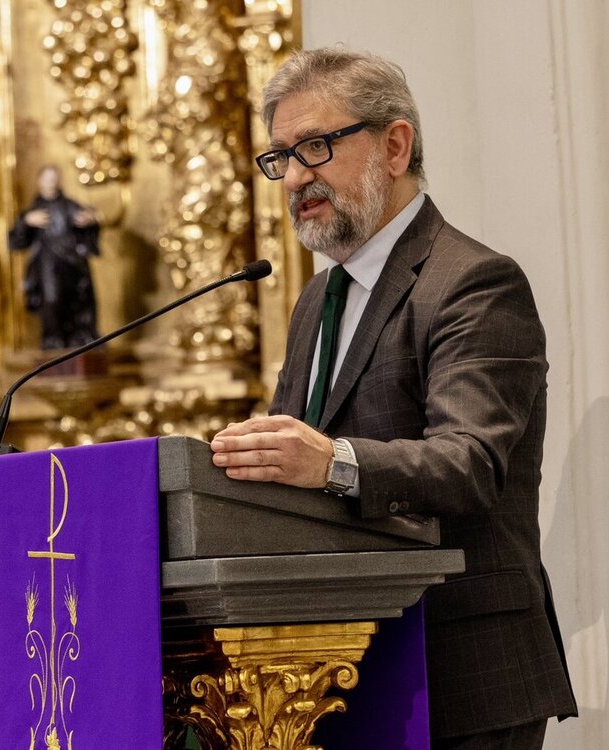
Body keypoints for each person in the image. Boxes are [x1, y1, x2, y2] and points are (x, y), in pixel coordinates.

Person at [209, 48, 577, 749]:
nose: (293, 178)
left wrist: (329, 461)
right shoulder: (319, 298)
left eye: (314, 147)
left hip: (459, 672)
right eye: (280, 157)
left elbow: (466, 465)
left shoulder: (475, 282)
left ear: (395, 143)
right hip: (343, 669)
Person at [8, 164, 100, 349]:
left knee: (79, 301)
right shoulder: (34, 211)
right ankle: (53, 341)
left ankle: (80, 340)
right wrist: (26, 222)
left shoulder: (69, 206)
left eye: (53, 179)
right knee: (52, 300)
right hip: (48, 264)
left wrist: (91, 220)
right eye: (47, 179)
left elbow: (90, 220)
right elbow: (16, 239)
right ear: (40, 182)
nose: (50, 183)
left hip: (73, 263)